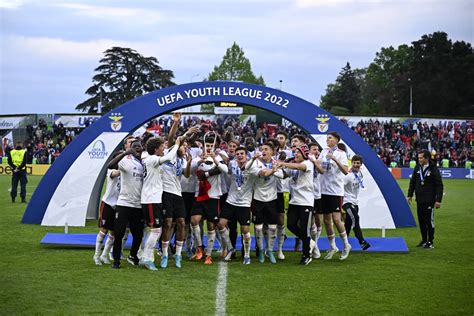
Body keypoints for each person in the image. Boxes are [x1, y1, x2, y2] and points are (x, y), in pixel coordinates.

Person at [107, 140, 145, 269]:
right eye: (134, 147)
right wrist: (124, 154)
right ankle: (116, 260)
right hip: (124, 203)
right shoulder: (126, 160)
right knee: (119, 233)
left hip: (138, 204)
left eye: (139, 146)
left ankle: (133, 255)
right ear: (131, 149)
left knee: (138, 234)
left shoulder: (144, 162)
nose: (137, 148)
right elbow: (110, 165)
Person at [276, 144, 316, 265]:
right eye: (295, 152)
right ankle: (309, 242)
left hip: (306, 202)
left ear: (304, 154)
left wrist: (283, 163)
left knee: (305, 229)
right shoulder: (293, 166)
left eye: (298, 152)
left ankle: (306, 255)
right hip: (294, 201)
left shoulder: (308, 163)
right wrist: (273, 170)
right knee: (291, 225)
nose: (295, 154)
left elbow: (300, 167)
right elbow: (283, 175)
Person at [217, 146, 256, 264]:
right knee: (221, 224)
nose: (239, 155)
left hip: (244, 203)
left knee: (245, 230)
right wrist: (215, 160)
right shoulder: (232, 164)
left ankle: (247, 255)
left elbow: (252, 170)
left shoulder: (252, 165)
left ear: (246, 155)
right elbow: (227, 170)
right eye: (238, 154)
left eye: (242, 154)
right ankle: (231, 248)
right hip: (231, 200)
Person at [317, 131, 351, 261]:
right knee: (326, 220)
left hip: (335, 191)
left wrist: (335, 159)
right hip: (323, 190)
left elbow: (346, 171)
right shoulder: (324, 151)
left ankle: (346, 245)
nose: (327, 140)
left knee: (337, 219)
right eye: (327, 138)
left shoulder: (341, 154)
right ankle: (332, 247)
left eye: (330, 138)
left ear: (336, 140)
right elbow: (320, 166)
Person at [248, 142, 284, 264]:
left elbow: (282, 175)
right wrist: (273, 170)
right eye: (262, 149)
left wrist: (275, 169)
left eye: (266, 149)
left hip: (272, 199)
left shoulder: (276, 163)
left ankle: (270, 250)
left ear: (272, 152)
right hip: (257, 198)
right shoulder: (256, 163)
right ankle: (261, 251)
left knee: (273, 227)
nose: (263, 151)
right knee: (258, 227)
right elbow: (262, 173)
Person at [407, 150, 444, 249]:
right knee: (421, 221)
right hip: (419, 199)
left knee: (429, 221)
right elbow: (413, 182)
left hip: (429, 200)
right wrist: (410, 195)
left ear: (427, 158)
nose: (419, 159)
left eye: (421, 158)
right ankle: (424, 240)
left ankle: (430, 241)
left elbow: (439, 185)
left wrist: (438, 200)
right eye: (418, 158)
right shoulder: (417, 167)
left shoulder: (433, 169)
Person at [92, 166, 120, 265]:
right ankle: (96, 256)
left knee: (114, 232)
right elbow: (115, 174)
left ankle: (104, 255)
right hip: (107, 204)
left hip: (118, 205)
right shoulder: (111, 171)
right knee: (104, 229)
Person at [342, 155, 371, 251]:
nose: (356, 164)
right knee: (356, 218)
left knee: (348, 224)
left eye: (358, 163)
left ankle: (345, 243)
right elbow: (340, 187)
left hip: (355, 202)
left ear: (361, 164)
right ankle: (362, 242)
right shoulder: (348, 175)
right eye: (354, 162)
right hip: (347, 202)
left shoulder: (360, 174)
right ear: (352, 163)